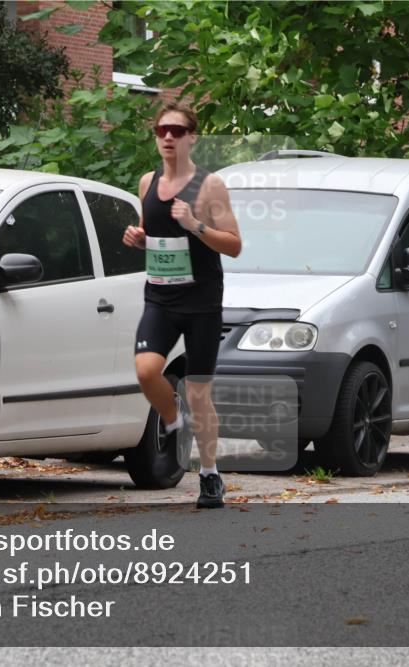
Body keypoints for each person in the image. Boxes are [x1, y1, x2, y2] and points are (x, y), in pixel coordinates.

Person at [122, 103, 242, 508]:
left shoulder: (210, 187)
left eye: (177, 130)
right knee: (146, 371)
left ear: (193, 137)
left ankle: (209, 476)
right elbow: (154, 234)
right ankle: (173, 423)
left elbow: (234, 245)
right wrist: (139, 238)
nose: (168, 137)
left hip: (202, 303)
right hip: (160, 296)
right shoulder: (146, 183)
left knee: (198, 393)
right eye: (161, 130)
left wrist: (196, 225)